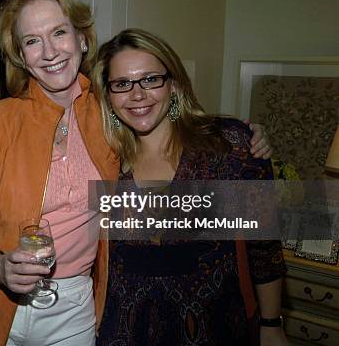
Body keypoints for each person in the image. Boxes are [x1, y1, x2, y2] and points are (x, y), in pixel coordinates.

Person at [0, 0, 272, 346]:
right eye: (32, 40)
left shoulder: (108, 112)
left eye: (59, 32)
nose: (49, 51)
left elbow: (157, 110)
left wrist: (239, 135)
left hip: (75, 305)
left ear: (82, 39)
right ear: (21, 57)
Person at [90, 28, 288, 345]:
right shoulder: (102, 157)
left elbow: (264, 247)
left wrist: (271, 324)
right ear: (109, 95)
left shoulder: (227, 145)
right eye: (122, 84)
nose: (137, 94)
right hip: (124, 329)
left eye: (151, 79)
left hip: (213, 326)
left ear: (174, 84)